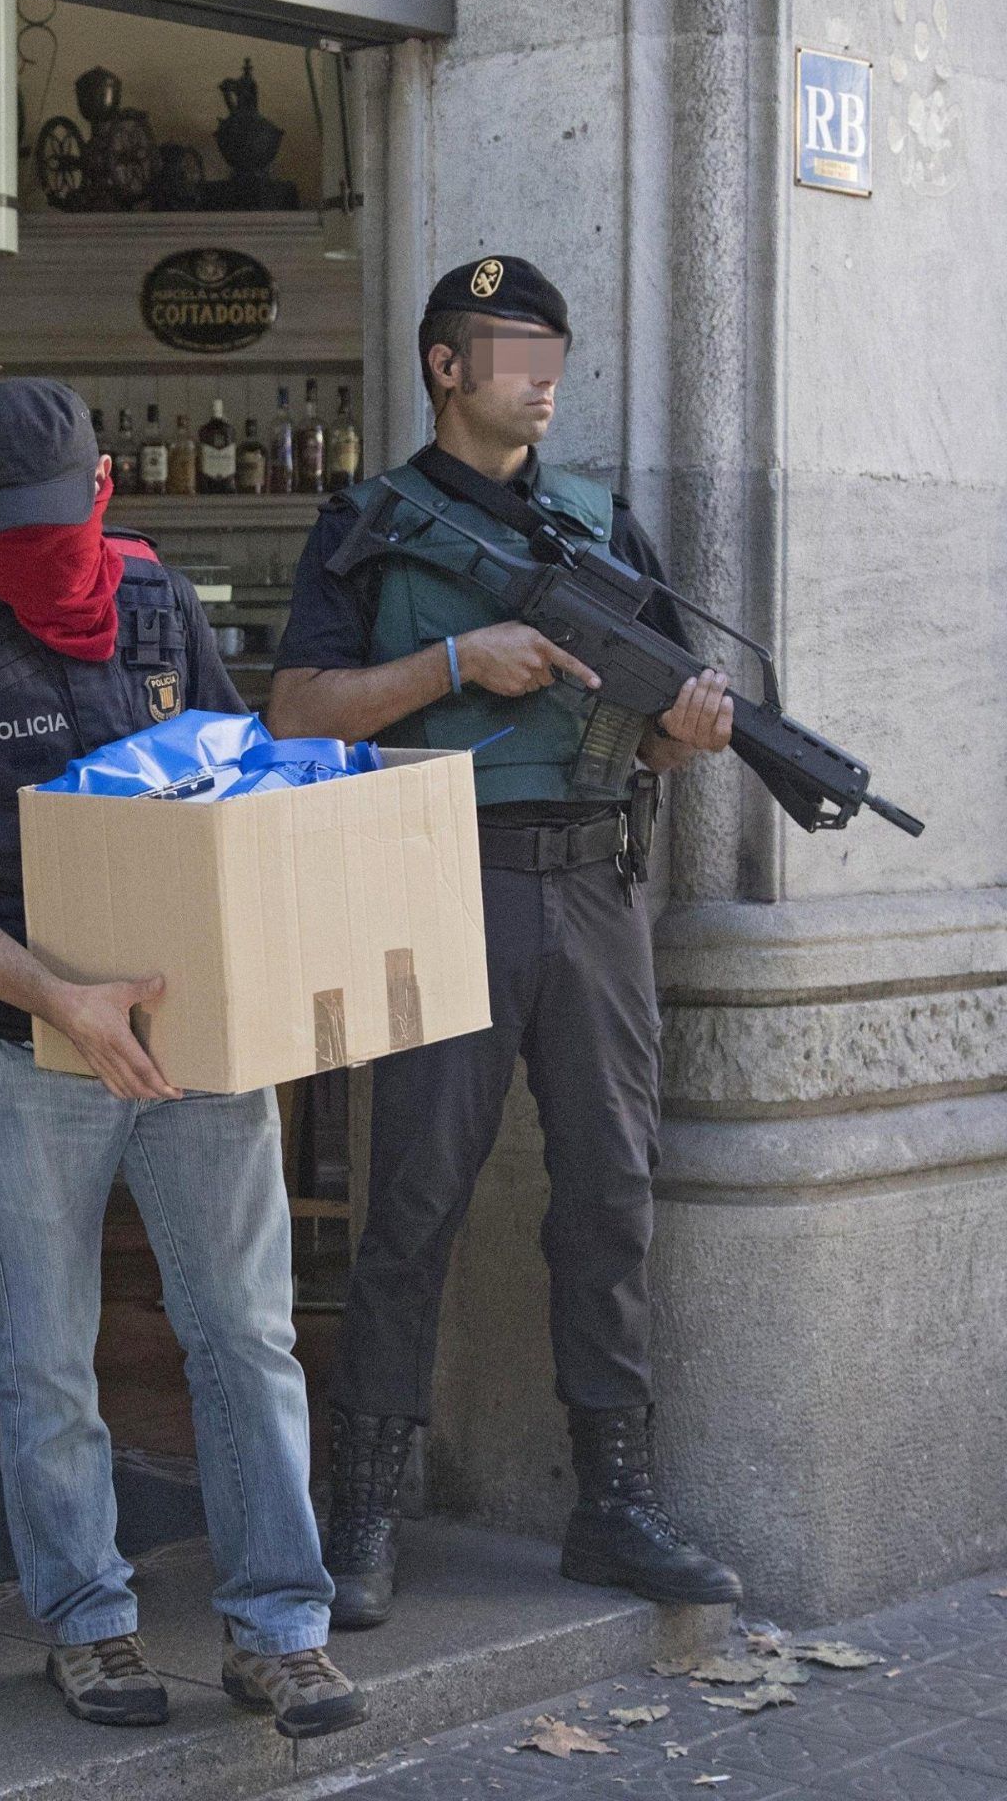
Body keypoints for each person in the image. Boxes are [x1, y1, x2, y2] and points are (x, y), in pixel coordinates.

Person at [0, 379, 364, 1740]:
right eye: (12, 535)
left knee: (246, 1334)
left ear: (103, 492)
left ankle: (281, 1632)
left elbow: (230, 787)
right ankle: (87, 1625)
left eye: (65, 522)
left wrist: (270, 982)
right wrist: (67, 1001)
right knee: (46, 1353)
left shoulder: (155, 599)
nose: (50, 556)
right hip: (20, 1051)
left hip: (192, 1033)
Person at [268, 255, 743, 1630]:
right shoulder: (369, 522)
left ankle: (615, 1503)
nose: (543, 375)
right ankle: (362, 1513)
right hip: (437, 881)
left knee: (611, 1195)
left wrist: (688, 737)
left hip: (595, 889)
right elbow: (297, 711)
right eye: (515, 349)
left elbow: (651, 721)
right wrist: (455, 664)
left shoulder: (602, 521)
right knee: (410, 1203)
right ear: (445, 364)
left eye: (555, 349)